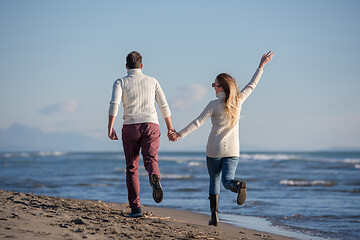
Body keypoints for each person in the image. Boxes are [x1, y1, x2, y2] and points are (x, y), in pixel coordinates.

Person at [169, 51, 274, 226]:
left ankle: (214, 217)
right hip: (233, 150)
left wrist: (179, 134)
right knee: (227, 181)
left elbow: (197, 123)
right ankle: (237, 185)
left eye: (214, 84)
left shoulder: (213, 105)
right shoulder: (238, 100)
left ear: (221, 88)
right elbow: (252, 85)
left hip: (214, 149)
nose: (213, 87)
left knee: (214, 181)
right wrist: (261, 66)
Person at [108, 51, 175, 218]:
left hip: (130, 127)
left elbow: (115, 104)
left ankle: (136, 208)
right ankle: (154, 177)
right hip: (151, 124)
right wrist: (170, 127)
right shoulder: (152, 81)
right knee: (151, 160)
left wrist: (110, 127)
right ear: (142, 66)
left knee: (132, 168)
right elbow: (163, 105)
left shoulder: (120, 82)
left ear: (126, 66)